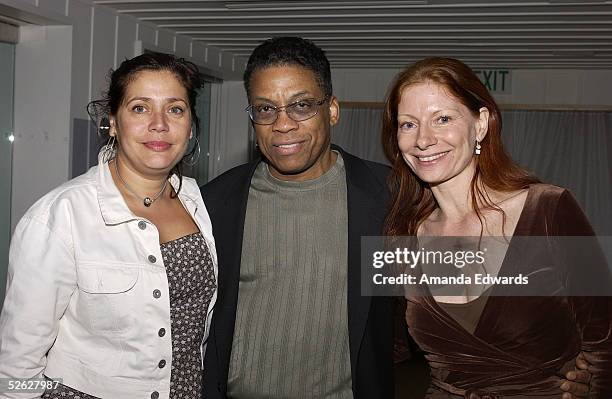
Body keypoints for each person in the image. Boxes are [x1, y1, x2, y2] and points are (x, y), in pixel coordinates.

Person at [381, 57, 612, 398]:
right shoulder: (401, 236)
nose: (424, 139)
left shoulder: (549, 209)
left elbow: (604, 343)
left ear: (481, 124)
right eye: (408, 124)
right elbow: (386, 345)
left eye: (442, 118)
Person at [0, 52, 218, 399]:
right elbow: (14, 367)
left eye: (175, 109)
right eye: (139, 108)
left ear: (190, 125)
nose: (159, 123)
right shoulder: (61, 216)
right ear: (112, 122)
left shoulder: (202, 204)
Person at [200, 37, 394, 398]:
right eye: (265, 109)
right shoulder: (215, 203)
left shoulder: (387, 196)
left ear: (332, 110)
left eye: (301, 105)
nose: (283, 124)